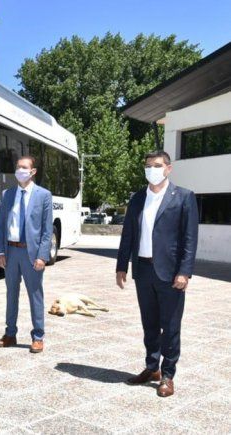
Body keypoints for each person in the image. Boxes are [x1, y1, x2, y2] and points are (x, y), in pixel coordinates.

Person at [116, 150, 198, 398]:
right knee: (149, 323)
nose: (152, 169)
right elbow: (128, 234)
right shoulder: (138, 198)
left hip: (171, 273)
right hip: (143, 270)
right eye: (148, 165)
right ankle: (151, 368)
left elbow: (189, 239)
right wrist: (121, 266)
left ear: (168, 168)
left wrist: (184, 272)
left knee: (170, 326)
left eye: (158, 165)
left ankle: (168, 374)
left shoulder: (183, 197)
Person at [0, 155, 53, 353]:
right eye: (18, 167)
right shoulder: (7, 194)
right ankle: (10, 333)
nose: (20, 170)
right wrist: (0, 251)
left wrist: (42, 256)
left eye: (24, 167)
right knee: (11, 294)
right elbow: (0, 224)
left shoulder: (43, 195)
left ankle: (38, 336)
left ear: (33, 171)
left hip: (31, 253)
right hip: (10, 251)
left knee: (35, 295)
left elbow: (46, 230)